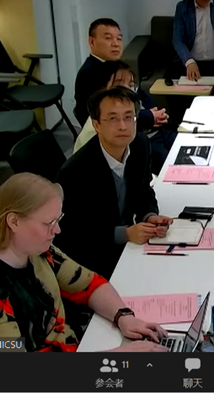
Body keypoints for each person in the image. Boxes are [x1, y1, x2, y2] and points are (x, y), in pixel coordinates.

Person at [0, 172, 170, 352]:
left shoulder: (33, 247)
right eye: (49, 223)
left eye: (58, 220)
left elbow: (89, 284)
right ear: (14, 222)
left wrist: (124, 317)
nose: (57, 230)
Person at [56, 87, 175, 280]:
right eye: (113, 119)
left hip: (130, 246)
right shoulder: (75, 171)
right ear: (96, 125)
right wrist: (125, 234)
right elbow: (74, 232)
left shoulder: (141, 145)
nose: (123, 126)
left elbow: (144, 190)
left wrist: (149, 215)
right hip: (94, 258)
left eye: (129, 117)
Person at [73, 19, 177, 174]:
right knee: (169, 165)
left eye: (119, 38)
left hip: (148, 130)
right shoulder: (91, 74)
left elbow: (139, 93)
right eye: (108, 38)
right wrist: (150, 116)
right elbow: (112, 115)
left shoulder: (116, 66)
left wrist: (155, 112)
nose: (115, 43)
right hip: (130, 137)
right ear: (91, 42)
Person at [74, 63, 175, 174]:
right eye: (119, 86)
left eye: (131, 85)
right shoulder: (92, 136)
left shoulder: (141, 143)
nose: (127, 91)